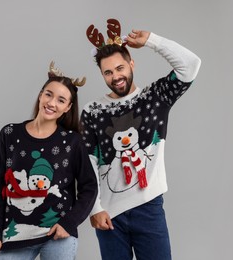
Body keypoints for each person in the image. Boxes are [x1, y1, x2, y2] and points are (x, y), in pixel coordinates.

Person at [80, 19, 201, 260]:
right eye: (108, 72)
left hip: (149, 208)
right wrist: (94, 209)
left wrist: (152, 41)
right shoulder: (92, 110)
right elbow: (88, 163)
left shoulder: (154, 97)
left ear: (131, 63)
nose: (116, 76)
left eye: (120, 68)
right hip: (110, 215)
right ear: (102, 74)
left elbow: (191, 66)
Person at [0, 61, 98, 260]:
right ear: (40, 95)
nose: (52, 103)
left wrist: (69, 223)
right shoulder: (10, 134)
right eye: (49, 94)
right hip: (15, 235)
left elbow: (89, 187)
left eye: (61, 100)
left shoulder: (72, 142)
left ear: (68, 107)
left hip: (57, 235)